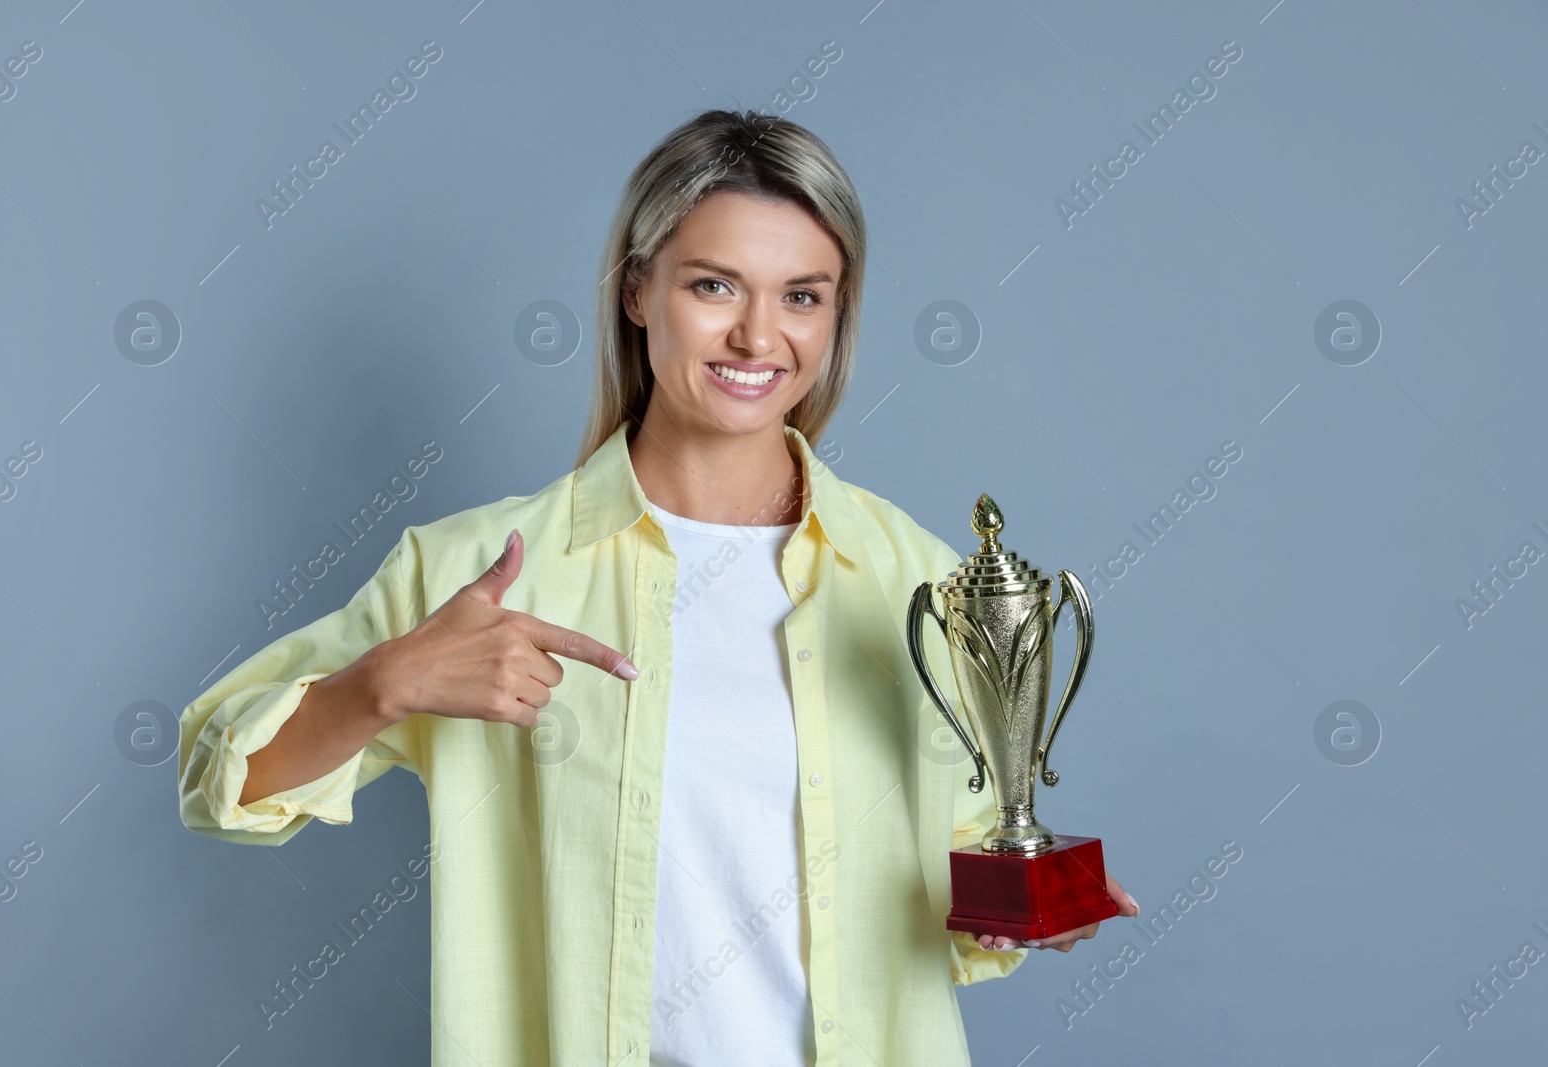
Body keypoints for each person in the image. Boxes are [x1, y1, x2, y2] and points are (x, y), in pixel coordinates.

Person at [178, 107, 1137, 1067]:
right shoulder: (478, 570)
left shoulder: (920, 581)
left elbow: (956, 877)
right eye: (714, 286)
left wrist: (1030, 910)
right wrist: (382, 683)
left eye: (803, 296)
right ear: (638, 290)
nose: (759, 336)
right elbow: (222, 783)